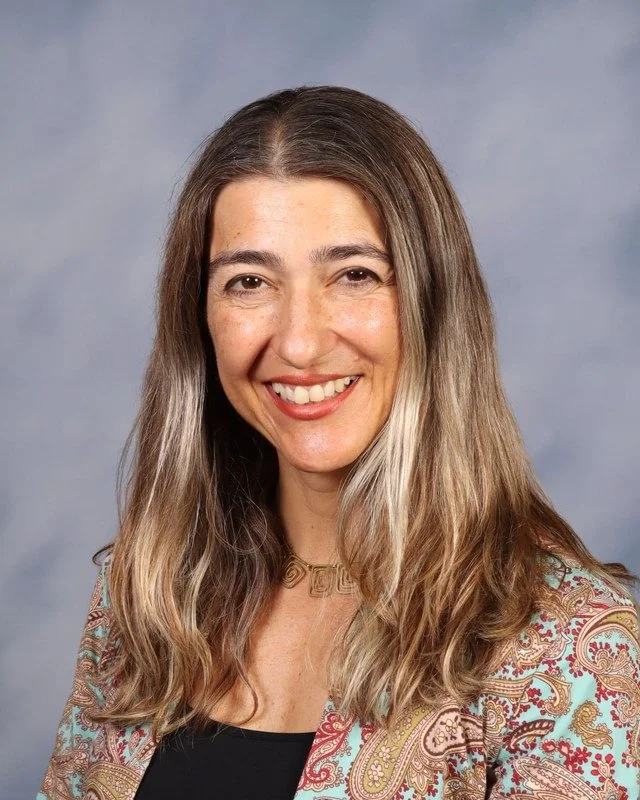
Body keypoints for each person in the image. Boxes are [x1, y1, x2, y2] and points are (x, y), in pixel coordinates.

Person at [37, 85, 640, 800]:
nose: (299, 341)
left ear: (433, 304)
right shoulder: (147, 595)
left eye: (355, 275)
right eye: (249, 282)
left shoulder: (573, 646)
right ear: (197, 318)